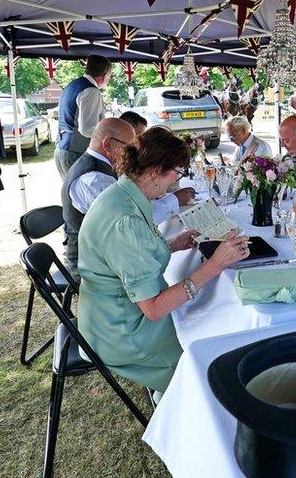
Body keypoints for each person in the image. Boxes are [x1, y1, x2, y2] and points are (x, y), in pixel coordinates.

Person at [77, 127, 249, 393]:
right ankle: (180, 404)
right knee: (209, 353)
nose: (174, 183)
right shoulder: (126, 220)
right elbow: (154, 309)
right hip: (122, 331)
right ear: (157, 171)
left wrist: (171, 244)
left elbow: (126, 257)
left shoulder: (124, 193)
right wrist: (214, 265)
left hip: (114, 314)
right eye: (176, 174)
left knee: (208, 320)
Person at [61, 118, 194, 274]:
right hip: (91, 268)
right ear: (108, 144)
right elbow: (136, 220)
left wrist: (172, 244)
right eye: (130, 147)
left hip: (113, 258)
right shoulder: (93, 180)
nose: (134, 154)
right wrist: (173, 200)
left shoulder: (103, 168)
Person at [55, 54, 112, 177]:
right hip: (76, 151)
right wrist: (110, 138)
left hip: (62, 147)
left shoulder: (71, 86)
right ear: (105, 74)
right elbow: (87, 129)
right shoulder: (91, 91)